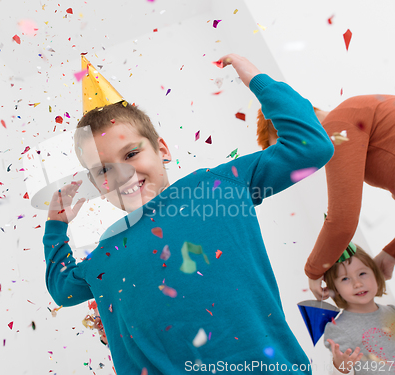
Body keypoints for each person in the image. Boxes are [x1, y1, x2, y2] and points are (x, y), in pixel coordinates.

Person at [43, 54, 334, 374]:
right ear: (98, 184)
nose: (123, 173)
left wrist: (255, 78)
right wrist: (56, 224)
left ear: (162, 149)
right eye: (104, 170)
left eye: (131, 153)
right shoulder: (106, 253)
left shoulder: (217, 185)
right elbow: (63, 288)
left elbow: (311, 147)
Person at [255, 95, 395, 299]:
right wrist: (391, 253)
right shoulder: (352, 119)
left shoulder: (338, 127)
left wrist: (313, 271)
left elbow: (342, 221)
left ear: (295, 123)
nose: (297, 161)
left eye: (291, 149)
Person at [322, 243, 394, 375]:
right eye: (345, 279)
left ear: (376, 274)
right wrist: (341, 369)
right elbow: (342, 369)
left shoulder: (392, 311)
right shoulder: (338, 329)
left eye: (362, 273)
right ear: (335, 289)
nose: (357, 284)